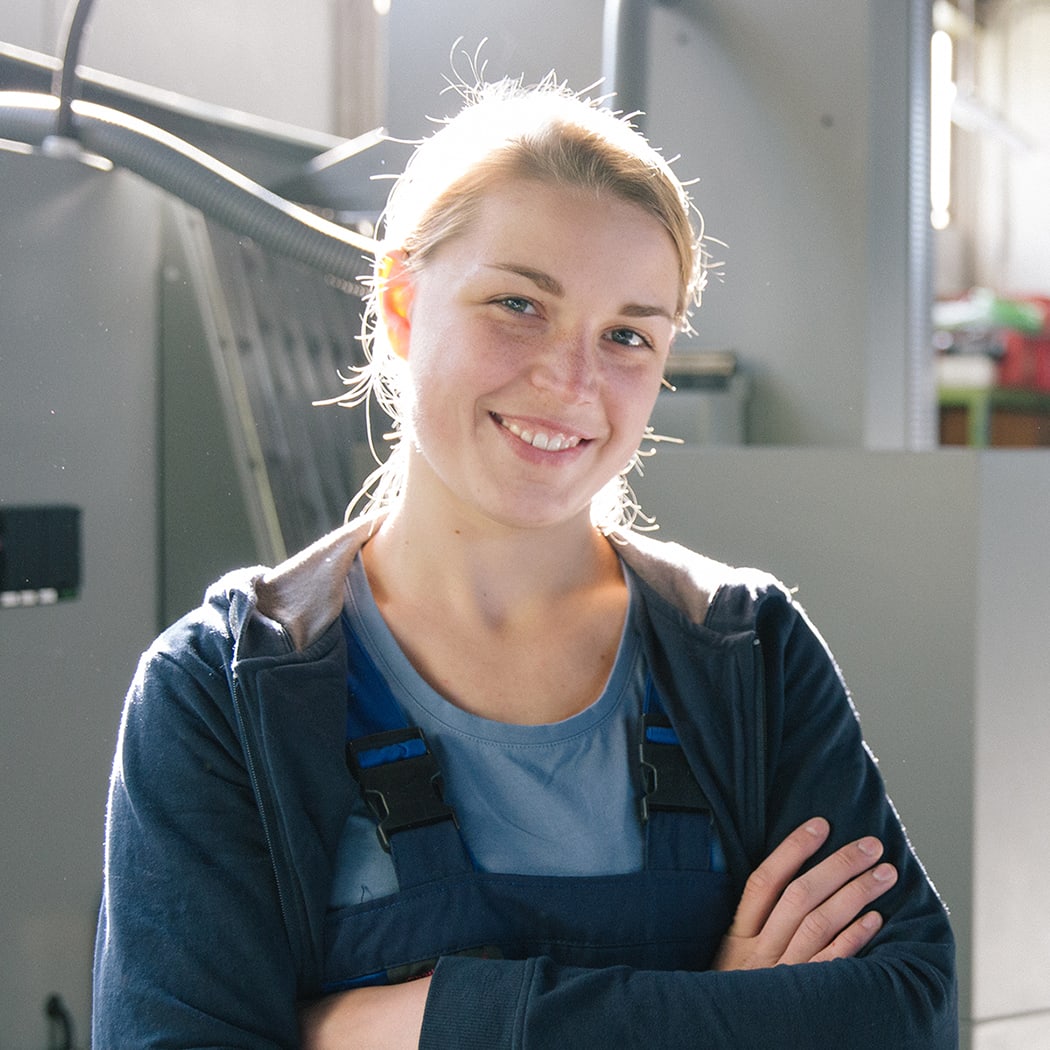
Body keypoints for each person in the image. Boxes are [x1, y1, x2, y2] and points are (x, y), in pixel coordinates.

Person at [92, 76, 957, 1049]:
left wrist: (419, 1023)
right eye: (518, 304)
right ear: (403, 306)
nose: (572, 381)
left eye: (629, 335)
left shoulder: (745, 652)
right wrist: (727, 1016)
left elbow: (907, 1009)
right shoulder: (228, 687)